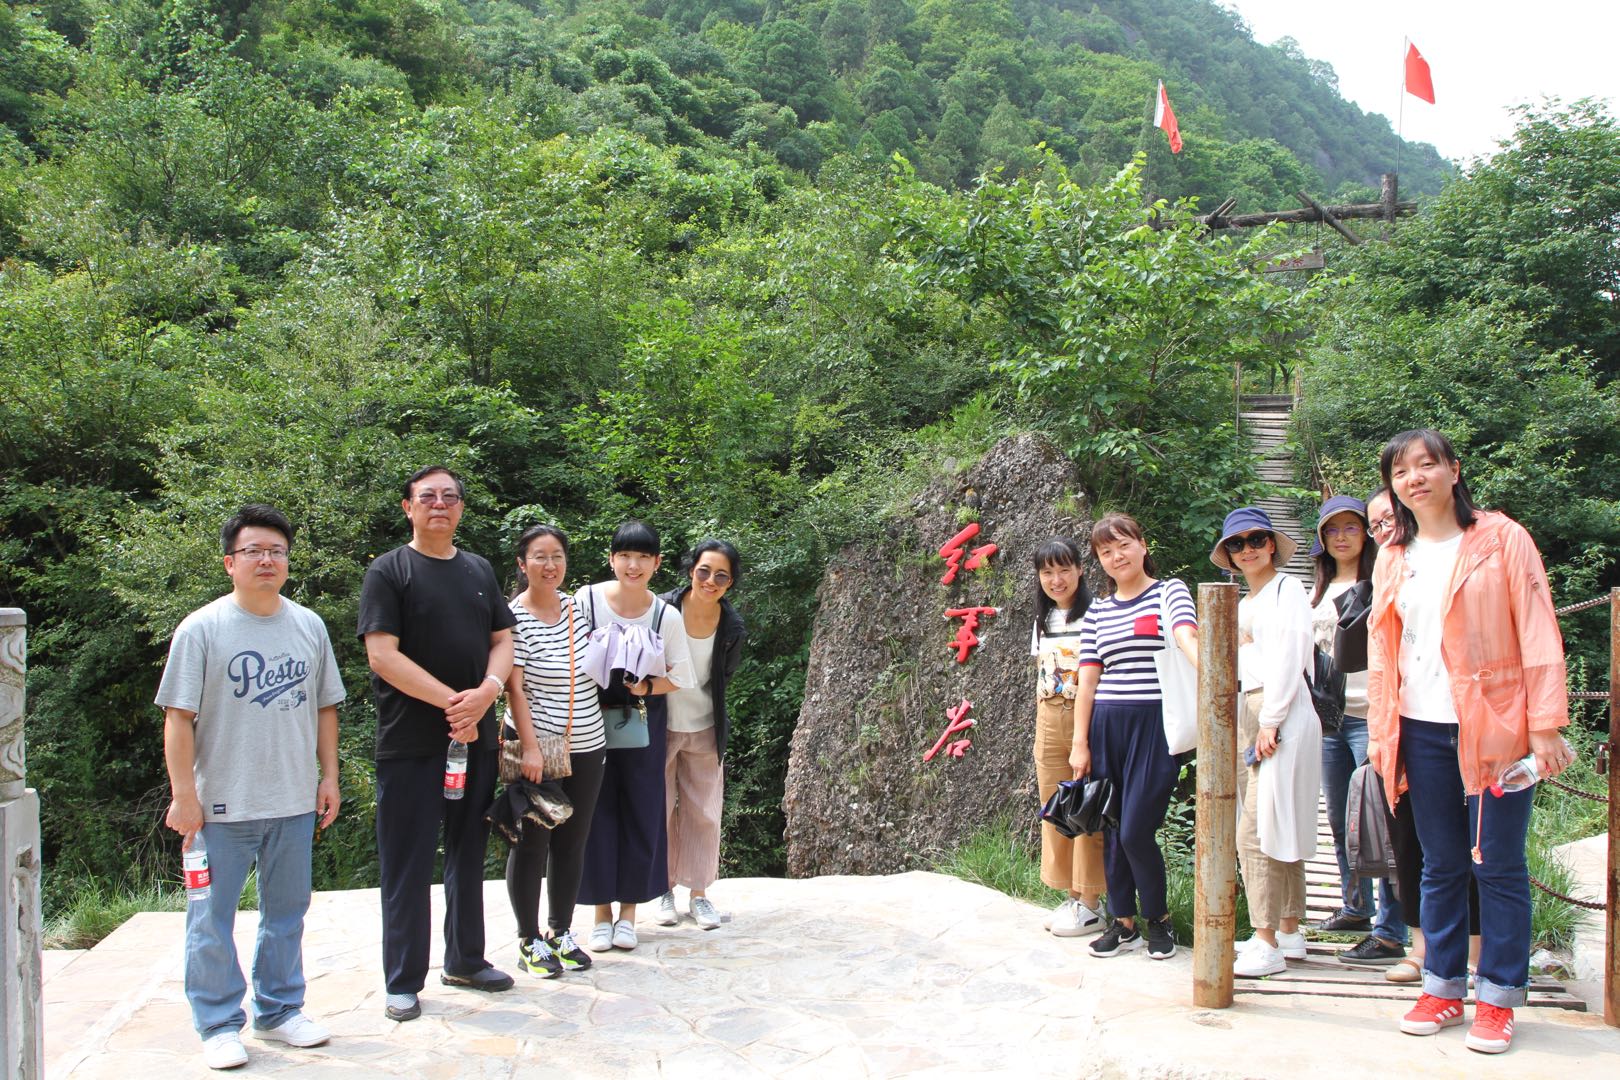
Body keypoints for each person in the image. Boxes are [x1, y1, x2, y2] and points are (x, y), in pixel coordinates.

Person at [1367, 429, 1571, 1054]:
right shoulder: (1393, 555)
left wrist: (1545, 724)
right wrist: (1381, 733)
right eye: (1401, 471)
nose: (1415, 478)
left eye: (1427, 464)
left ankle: (1500, 997)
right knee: (1440, 863)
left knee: (1498, 864)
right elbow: (1382, 652)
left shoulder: (1501, 538)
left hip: (1496, 725)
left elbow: (1536, 628)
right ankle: (1443, 987)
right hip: (1419, 726)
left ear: (1454, 471)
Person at [158, 504, 345, 1069]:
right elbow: (178, 717)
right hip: (220, 805)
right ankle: (217, 1023)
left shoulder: (309, 625)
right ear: (229, 562)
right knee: (210, 919)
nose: (267, 560)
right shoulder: (202, 628)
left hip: (292, 799)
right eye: (254, 551)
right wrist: (184, 795)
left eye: (277, 551)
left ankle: (280, 1010)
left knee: (287, 913)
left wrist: (329, 776)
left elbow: (325, 707)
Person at [358, 466, 516, 1022]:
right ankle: (402, 980)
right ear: (408, 507)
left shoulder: (478, 569)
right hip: (411, 742)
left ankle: (466, 960)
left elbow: (503, 639)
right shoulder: (389, 570)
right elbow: (382, 655)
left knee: (469, 852)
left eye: (450, 496)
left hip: (476, 741)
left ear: (462, 508)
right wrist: (457, 705)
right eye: (428, 497)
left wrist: (488, 692)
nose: (440, 504)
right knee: (408, 861)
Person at [1363, 486, 1483, 986]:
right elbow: (1378, 655)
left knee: (1474, 846)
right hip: (1401, 721)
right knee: (1414, 842)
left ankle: (1474, 955)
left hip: (1468, 718)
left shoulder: (1463, 552)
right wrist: (1379, 732)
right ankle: (1424, 949)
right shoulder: (1387, 566)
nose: (1383, 529)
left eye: (1388, 519)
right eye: (1375, 524)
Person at [1070, 513, 1198, 961]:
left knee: (1136, 829)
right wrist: (1080, 742)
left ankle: (1158, 918)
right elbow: (1088, 680)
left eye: (1124, 544)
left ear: (1143, 546)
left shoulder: (1169, 592)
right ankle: (1122, 922)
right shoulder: (1098, 611)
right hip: (1107, 724)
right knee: (1112, 827)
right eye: (1106, 551)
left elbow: (1186, 635)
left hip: (1155, 725)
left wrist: (1215, 670)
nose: (1117, 556)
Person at [1213, 507, 1322, 979]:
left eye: (1256, 539)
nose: (1248, 549)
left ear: (1272, 543)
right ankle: (1289, 929)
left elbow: (1291, 656)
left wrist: (1271, 721)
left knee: (1255, 830)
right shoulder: (1245, 601)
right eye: (1237, 544)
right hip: (1251, 709)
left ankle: (1265, 940)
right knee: (1279, 823)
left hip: (1279, 710)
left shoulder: (1287, 589)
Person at [578, 520, 695, 951]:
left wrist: (645, 686)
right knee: (593, 810)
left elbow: (681, 676)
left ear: (657, 563)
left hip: (642, 718)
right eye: (625, 555)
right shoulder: (586, 601)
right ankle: (600, 914)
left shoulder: (665, 615)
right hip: (589, 718)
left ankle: (628, 913)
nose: (633, 565)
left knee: (640, 810)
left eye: (643, 557)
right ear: (611, 559)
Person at [501, 524, 607, 978]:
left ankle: (560, 931)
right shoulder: (512, 617)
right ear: (522, 564)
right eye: (540, 557)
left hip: (587, 742)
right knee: (531, 842)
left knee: (572, 841)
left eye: (557, 556)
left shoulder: (575, 609)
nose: (550, 565)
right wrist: (529, 748)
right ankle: (528, 939)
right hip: (537, 747)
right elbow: (514, 689)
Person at [1309, 496, 1410, 966]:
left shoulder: (1384, 578)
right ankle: (1356, 907)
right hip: (1331, 718)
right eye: (1332, 530)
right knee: (1339, 819)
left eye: (1352, 527)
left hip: (1374, 715)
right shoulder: (1315, 592)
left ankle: (1390, 932)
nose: (1342, 537)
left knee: (1380, 823)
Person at [655, 540, 747, 930]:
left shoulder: (732, 626)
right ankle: (661, 889)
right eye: (704, 571)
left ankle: (698, 894)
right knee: (657, 810)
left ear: (731, 583)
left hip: (705, 727)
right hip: (659, 726)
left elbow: (724, 677)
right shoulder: (662, 610)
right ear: (691, 569)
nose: (710, 581)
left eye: (721, 576)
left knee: (704, 813)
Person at [1028, 537, 1106, 938]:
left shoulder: (1097, 614)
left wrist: (1085, 736)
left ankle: (1091, 902)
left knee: (1086, 807)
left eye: (1064, 570)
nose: (1056, 580)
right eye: (1047, 572)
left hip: (1085, 719)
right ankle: (1071, 895)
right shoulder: (1043, 619)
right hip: (1048, 718)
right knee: (1055, 808)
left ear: (1079, 570)